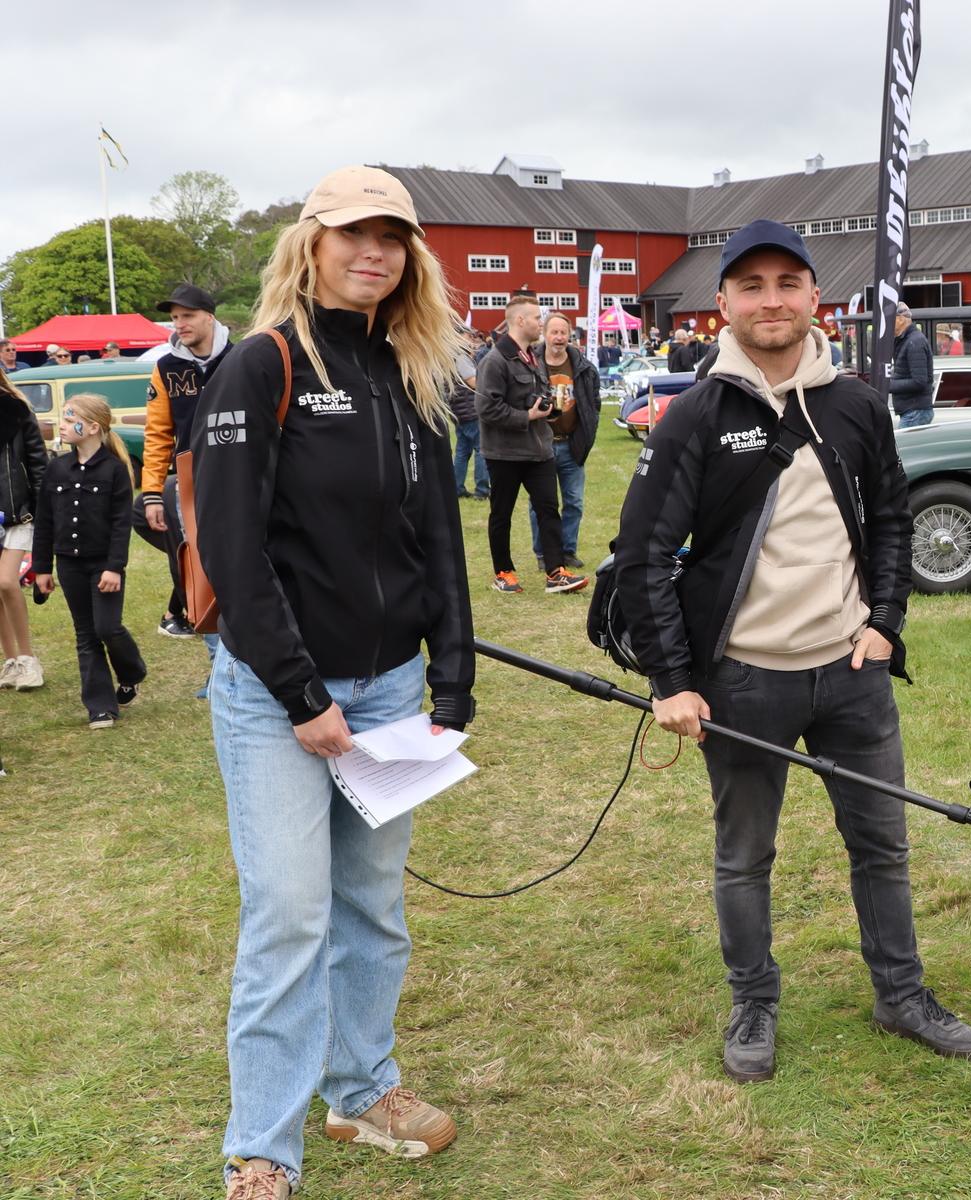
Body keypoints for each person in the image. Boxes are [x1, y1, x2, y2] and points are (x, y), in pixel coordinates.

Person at [614, 219, 971, 1084]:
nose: (771, 300)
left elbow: (893, 517)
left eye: (788, 283)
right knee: (745, 856)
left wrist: (886, 620)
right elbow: (642, 556)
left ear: (816, 297)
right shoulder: (696, 415)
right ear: (722, 306)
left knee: (883, 845)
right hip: (743, 681)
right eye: (752, 286)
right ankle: (755, 1002)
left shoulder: (857, 403)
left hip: (852, 676)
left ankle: (901, 993)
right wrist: (674, 680)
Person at [191, 164, 476, 1200]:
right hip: (278, 699)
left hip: (394, 692)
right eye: (354, 233)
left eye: (392, 237)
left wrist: (453, 680)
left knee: (372, 905)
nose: (375, 252)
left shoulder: (409, 370)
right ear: (309, 244)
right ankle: (262, 1146)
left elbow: (436, 537)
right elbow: (231, 547)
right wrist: (306, 696)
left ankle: (362, 1088)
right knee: (289, 918)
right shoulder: (259, 365)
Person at [30, 393, 146, 728]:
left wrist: (114, 567)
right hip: (69, 565)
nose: (62, 426)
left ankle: (132, 671)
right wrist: (42, 568)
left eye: (69, 420)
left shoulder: (115, 471)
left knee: (107, 627)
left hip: (103, 564)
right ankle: (100, 706)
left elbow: (122, 523)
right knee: (86, 634)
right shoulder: (56, 469)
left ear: (93, 427)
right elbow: (46, 521)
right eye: (64, 419)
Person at [140, 283, 235, 643]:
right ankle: (214, 659)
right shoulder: (165, 368)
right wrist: (151, 493)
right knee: (198, 565)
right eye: (175, 318)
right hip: (189, 481)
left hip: (239, 475)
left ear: (209, 316)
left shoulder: (240, 357)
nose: (179, 324)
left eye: (188, 315)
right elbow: (158, 433)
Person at [476, 296, 587, 594]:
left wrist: (547, 408)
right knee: (502, 514)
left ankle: (556, 572)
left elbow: (533, 396)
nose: (541, 322)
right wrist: (527, 415)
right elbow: (486, 409)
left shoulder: (532, 357)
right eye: (537, 317)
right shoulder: (495, 360)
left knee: (549, 510)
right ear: (520, 321)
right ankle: (504, 573)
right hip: (505, 453)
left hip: (539, 450)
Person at [527, 310, 600, 569]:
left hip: (571, 445)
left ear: (569, 336)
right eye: (554, 332)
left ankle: (568, 551)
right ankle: (543, 554)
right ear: (545, 335)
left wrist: (587, 433)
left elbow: (594, 403)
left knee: (574, 502)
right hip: (541, 445)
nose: (559, 337)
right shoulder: (531, 365)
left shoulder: (583, 367)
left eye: (563, 333)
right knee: (540, 504)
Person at [0, 366, 47, 691]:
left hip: (17, 512)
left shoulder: (16, 410)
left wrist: (44, 511)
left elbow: (37, 461)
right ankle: (11, 660)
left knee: (5, 582)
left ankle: (29, 660)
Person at [449, 328, 489, 500]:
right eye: (468, 335)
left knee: (462, 451)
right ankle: (482, 490)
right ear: (458, 337)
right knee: (481, 449)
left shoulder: (449, 356)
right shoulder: (460, 357)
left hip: (459, 411)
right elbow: (474, 382)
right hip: (470, 410)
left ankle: (457, 488)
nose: (471, 339)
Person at [888, 304, 934, 428]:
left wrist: (889, 385)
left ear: (901, 319)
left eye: (889, 318)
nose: (887, 323)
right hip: (913, 410)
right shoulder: (907, 340)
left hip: (915, 411)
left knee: (903, 447)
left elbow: (919, 381)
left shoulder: (915, 342)